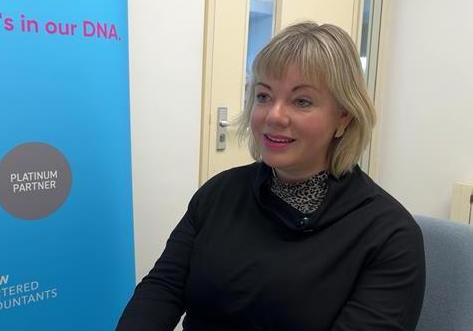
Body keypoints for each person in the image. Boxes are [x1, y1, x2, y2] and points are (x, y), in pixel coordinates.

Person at [116, 21, 425, 331]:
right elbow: (161, 290)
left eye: (301, 101)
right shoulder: (219, 193)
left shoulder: (389, 236)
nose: (274, 115)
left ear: (343, 117)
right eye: (264, 96)